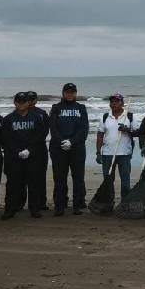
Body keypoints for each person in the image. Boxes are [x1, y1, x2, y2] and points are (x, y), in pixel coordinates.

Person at [0, 91, 49, 219]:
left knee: (34, 183)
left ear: (28, 103)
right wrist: (17, 151)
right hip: (14, 157)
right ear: (15, 103)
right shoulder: (8, 119)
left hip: (32, 156)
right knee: (13, 184)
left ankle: (35, 209)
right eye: (19, 102)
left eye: (24, 102)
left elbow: (39, 136)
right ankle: (10, 210)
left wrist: (29, 150)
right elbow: (6, 138)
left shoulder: (37, 118)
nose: (21, 104)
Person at [48, 82, 89, 216]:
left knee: (78, 178)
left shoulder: (81, 108)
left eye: (72, 92)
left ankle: (77, 205)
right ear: (63, 93)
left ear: (75, 94)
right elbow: (53, 128)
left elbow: (84, 129)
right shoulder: (56, 107)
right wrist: (62, 141)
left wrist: (72, 141)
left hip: (77, 148)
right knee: (59, 178)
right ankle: (59, 206)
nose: (70, 94)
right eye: (67, 92)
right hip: (58, 148)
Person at [95, 93, 136, 200]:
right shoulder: (105, 117)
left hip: (124, 154)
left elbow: (137, 133)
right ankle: (108, 202)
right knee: (108, 180)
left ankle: (125, 202)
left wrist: (127, 129)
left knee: (125, 181)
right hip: (108, 154)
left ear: (122, 103)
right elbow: (100, 134)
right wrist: (98, 152)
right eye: (112, 101)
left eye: (117, 101)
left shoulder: (130, 116)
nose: (114, 104)